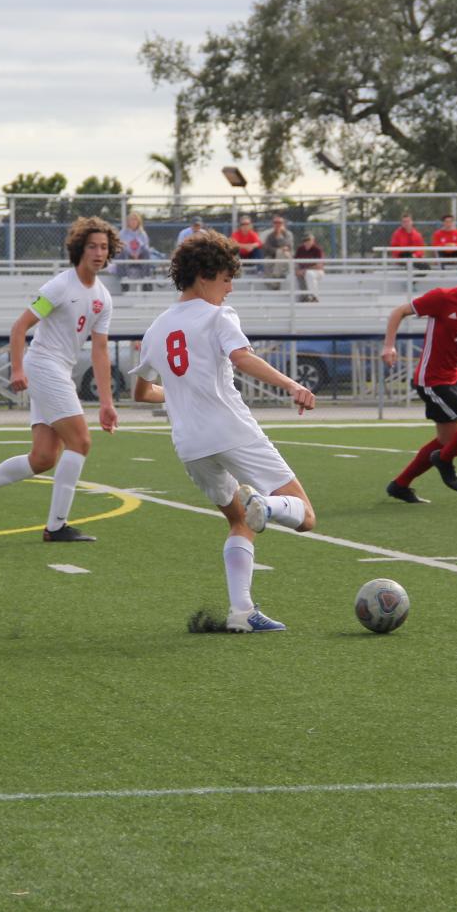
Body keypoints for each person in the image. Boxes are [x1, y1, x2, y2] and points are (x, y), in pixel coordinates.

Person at [130, 231, 317, 633]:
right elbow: (242, 357)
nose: (230, 289)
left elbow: (141, 393)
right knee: (305, 516)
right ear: (204, 276)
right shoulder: (217, 316)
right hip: (231, 430)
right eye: (227, 279)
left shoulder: (156, 329)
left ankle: (241, 612)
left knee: (238, 520)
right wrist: (292, 385)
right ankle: (266, 506)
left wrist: (180, 394)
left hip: (190, 445)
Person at [0, 217, 120, 541]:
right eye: (93, 246)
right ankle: (56, 527)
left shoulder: (103, 298)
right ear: (80, 249)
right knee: (80, 442)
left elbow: (99, 352)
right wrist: (17, 369)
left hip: (59, 371)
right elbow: (19, 327)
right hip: (43, 366)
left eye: (104, 247)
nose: (99, 252)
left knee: (42, 458)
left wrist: (107, 403)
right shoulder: (59, 286)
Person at [380, 250, 457, 503]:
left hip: (450, 379)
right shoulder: (442, 298)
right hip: (431, 380)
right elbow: (398, 312)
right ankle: (443, 460)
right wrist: (389, 345)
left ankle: (400, 485)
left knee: (447, 440)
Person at [115, 213, 163, 289]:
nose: (133, 222)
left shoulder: (142, 234)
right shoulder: (122, 233)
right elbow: (121, 246)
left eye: (135, 220)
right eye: (131, 220)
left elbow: (145, 246)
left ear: (138, 222)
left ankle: (146, 278)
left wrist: (137, 253)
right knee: (122, 251)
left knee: (146, 251)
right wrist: (131, 254)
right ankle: (124, 278)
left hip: (139, 257)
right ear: (128, 222)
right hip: (127, 256)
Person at [295, 232, 325, 302]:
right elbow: (295, 262)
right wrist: (297, 270)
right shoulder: (300, 249)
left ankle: (314, 297)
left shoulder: (317, 249)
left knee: (309, 274)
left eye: (308, 240)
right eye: (304, 240)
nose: (306, 242)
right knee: (294, 276)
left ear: (313, 240)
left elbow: (319, 265)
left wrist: (305, 270)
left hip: (317, 272)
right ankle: (304, 297)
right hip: (303, 271)